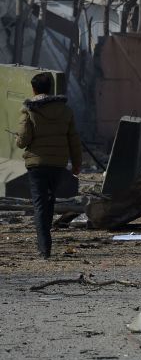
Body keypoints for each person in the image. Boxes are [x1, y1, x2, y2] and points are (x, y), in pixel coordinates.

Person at [15, 72, 83, 259]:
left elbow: (22, 141)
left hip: (37, 165)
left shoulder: (28, 110)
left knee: (40, 205)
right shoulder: (65, 110)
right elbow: (74, 140)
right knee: (49, 202)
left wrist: (17, 138)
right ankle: (46, 244)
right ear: (50, 89)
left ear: (34, 89)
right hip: (58, 164)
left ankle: (44, 249)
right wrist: (77, 164)